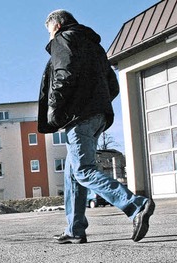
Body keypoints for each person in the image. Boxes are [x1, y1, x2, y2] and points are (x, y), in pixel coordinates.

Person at [38, 9, 155, 244]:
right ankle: (75, 229)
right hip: (97, 116)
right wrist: (97, 105)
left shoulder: (63, 38)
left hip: (78, 116)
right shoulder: (95, 47)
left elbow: (64, 74)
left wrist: (57, 110)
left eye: (49, 32)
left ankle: (136, 205)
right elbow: (113, 84)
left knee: (83, 170)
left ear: (57, 26)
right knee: (72, 174)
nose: (49, 37)